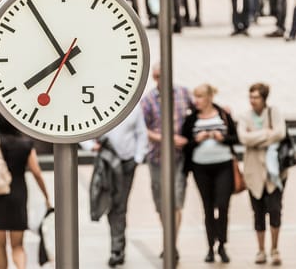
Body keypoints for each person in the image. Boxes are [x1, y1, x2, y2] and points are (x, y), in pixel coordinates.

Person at [0, 113, 51, 269]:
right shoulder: (26, 145)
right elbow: (36, 172)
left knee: (0, 245)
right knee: (18, 245)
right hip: (18, 194)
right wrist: (46, 196)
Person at [81, 104, 148, 267]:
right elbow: (83, 127)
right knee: (110, 203)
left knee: (120, 205)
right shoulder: (98, 104)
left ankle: (117, 248)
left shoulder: (134, 108)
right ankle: (117, 246)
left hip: (127, 163)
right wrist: (91, 146)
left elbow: (141, 133)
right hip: (107, 162)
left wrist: (138, 158)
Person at [181, 84, 239, 264]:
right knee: (207, 207)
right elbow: (185, 143)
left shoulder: (223, 114)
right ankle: (210, 247)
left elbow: (235, 138)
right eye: (195, 97)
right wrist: (196, 140)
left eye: (199, 97)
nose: (196, 101)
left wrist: (222, 138)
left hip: (223, 165)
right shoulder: (191, 119)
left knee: (222, 205)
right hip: (201, 167)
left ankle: (222, 244)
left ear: (208, 98)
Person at [140, 63, 192, 260]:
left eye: (160, 75)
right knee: (162, 203)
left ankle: (172, 243)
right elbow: (142, 128)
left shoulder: (183, 93)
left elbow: (200, 109)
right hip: (157, 158)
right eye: (155, 76)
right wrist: (165, 138)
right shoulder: (148, 100)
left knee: (176, 202)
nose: (157, 80)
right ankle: (168, 238)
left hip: (178, 158)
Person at [237, 83, 287, 266]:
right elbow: (243, 138)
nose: (252, 101)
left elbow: (280, 133)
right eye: (250, 97)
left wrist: (256, 136)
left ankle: (274, 248)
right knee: (257, 212)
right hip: (253, 172)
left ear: (264, 98)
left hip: (274, 173)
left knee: (275, 210)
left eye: (256, 97)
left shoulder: (274, 113)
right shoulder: (244, 116)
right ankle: (260, 250)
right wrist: (267, 133)